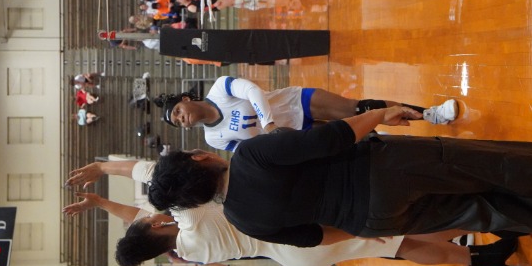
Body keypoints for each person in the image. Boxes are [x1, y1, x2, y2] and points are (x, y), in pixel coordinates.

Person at [148, 106, 532, 263]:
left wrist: (363, 225)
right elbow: (331, 138)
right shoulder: (249, 157)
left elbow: (317, 237)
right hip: (381, 171)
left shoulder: (241, 220)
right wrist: (380, 113)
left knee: (484, 214)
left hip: (373, 220)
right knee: (491, 167)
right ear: (199, 158)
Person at [64, 160, 522, 266]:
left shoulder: (189, 251)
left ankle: (480, 260)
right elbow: (149, 177)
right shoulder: (190, 219)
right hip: (300, 237)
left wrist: (102, 203)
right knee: (401, 232)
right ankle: (489, 220)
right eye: (146, 222)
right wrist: (104, 168)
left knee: (397, 245)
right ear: (156, 226)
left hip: (296, 258)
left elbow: (138, 217)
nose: (145, 216)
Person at [155, 75, 459, 151]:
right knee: (363, 139)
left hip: (295, 103)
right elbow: (247, 150)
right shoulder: (213, 139)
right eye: (177, 122)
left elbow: (252, 91)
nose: (181, 119)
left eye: (178, 111)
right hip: (298, 136)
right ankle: (434, 147)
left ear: (186, 99)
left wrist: (268, 124)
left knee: (356, 109)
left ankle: (430, 114)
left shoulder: (220, 88)